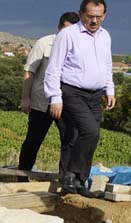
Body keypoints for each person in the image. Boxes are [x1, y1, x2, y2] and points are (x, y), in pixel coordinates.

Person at [45, 0, 116, 197]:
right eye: (90, 16)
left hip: (95, 95)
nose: (94, 21)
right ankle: (69, 174)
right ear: (81, 14)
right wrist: (55, 97)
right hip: (71, 91)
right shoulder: (68, 35)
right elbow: (54, 67)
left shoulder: (105, 36)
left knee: (91, 138)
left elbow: (107, 65)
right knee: (90, 131)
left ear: (104, 16)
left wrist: (110, 89)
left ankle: (80, 182)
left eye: (99, 17)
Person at [18, 12, 80, 174]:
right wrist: (25, 98)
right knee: (33, 140)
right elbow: (29, 71)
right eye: (65, 29)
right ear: (59, 27)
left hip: (66, 103)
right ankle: (22, 175)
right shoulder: (44, 43)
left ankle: (65, 177)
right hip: (41, 101)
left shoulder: (79, 46)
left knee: (70, 140)